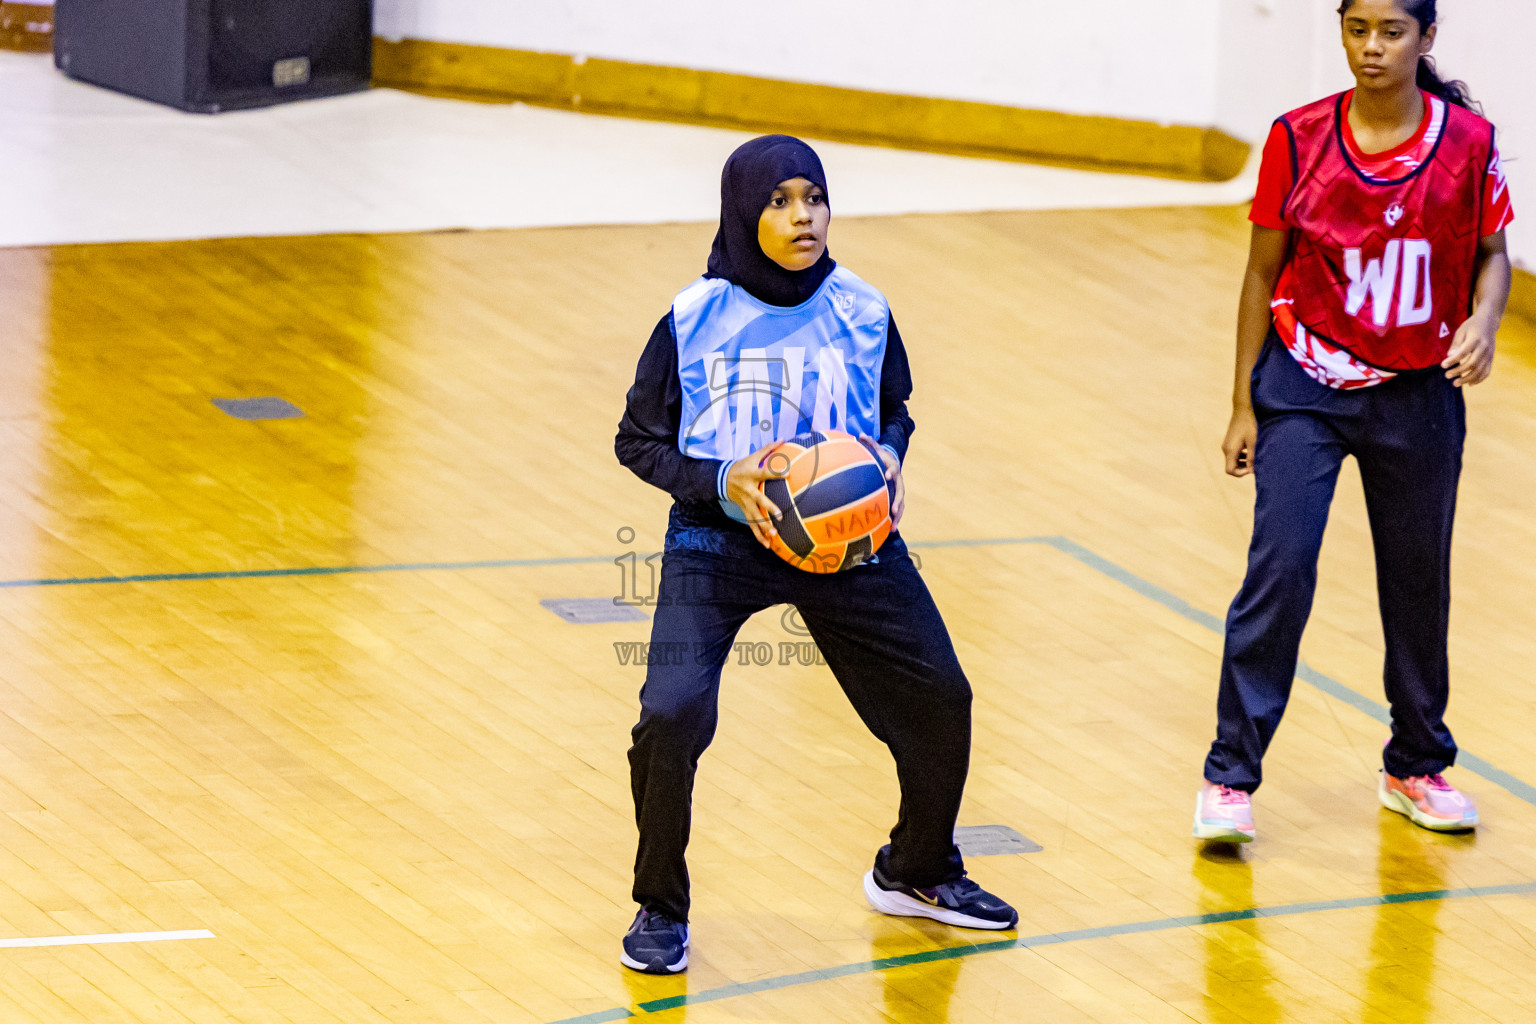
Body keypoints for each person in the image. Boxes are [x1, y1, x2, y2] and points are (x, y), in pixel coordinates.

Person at [614, 135, 1017, 974]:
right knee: (671, 713)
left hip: (847, 541)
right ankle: (660, 905)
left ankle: (918, 869)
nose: (804, 216)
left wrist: (892, 457)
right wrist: (723, 480)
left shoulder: (864, 308)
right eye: (779, 201)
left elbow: (895, 407)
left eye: (814, 197)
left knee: (942, 697)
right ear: (742, 211)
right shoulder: (692, 318)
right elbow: (636, 441)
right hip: (718, 536)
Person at [1195, 0, 1513, 844]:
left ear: (1427, 38)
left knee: (1417, 583)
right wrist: (1242, 403)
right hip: (1307, 383)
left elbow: (1492, 255)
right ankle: (1230, 777)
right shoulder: (1298, 138)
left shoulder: (1467, 146)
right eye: (1356, 29)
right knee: (1282, 568)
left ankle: (1416, 763)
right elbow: (1261, 274)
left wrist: (1483, 323)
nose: (1372, 48)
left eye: (1392, 32)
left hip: (1419, 394)